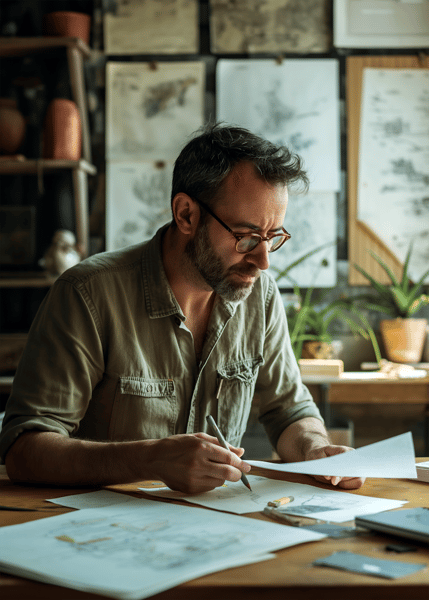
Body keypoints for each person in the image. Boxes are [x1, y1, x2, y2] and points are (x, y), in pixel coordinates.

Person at [0, 123, 364, 492]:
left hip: (215, 530)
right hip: (98, 532)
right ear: (186, 214)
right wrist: (149, 459)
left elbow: (289, 412)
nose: (264, 260)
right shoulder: (88, 294)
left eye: (273, 237)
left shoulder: (261, 296)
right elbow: (23, 448)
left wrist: (315, 449)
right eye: (247, 237)